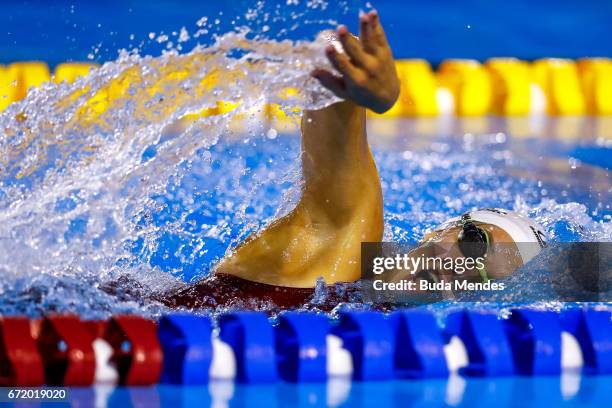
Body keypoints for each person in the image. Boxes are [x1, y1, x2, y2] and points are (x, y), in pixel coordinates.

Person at [160, 11, 547, 309]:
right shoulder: (346, 251)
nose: (463, 269)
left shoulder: (379, 327)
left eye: (483, 278)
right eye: (476, 244)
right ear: (441, 229)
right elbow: (328, 61)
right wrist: (361, 96)